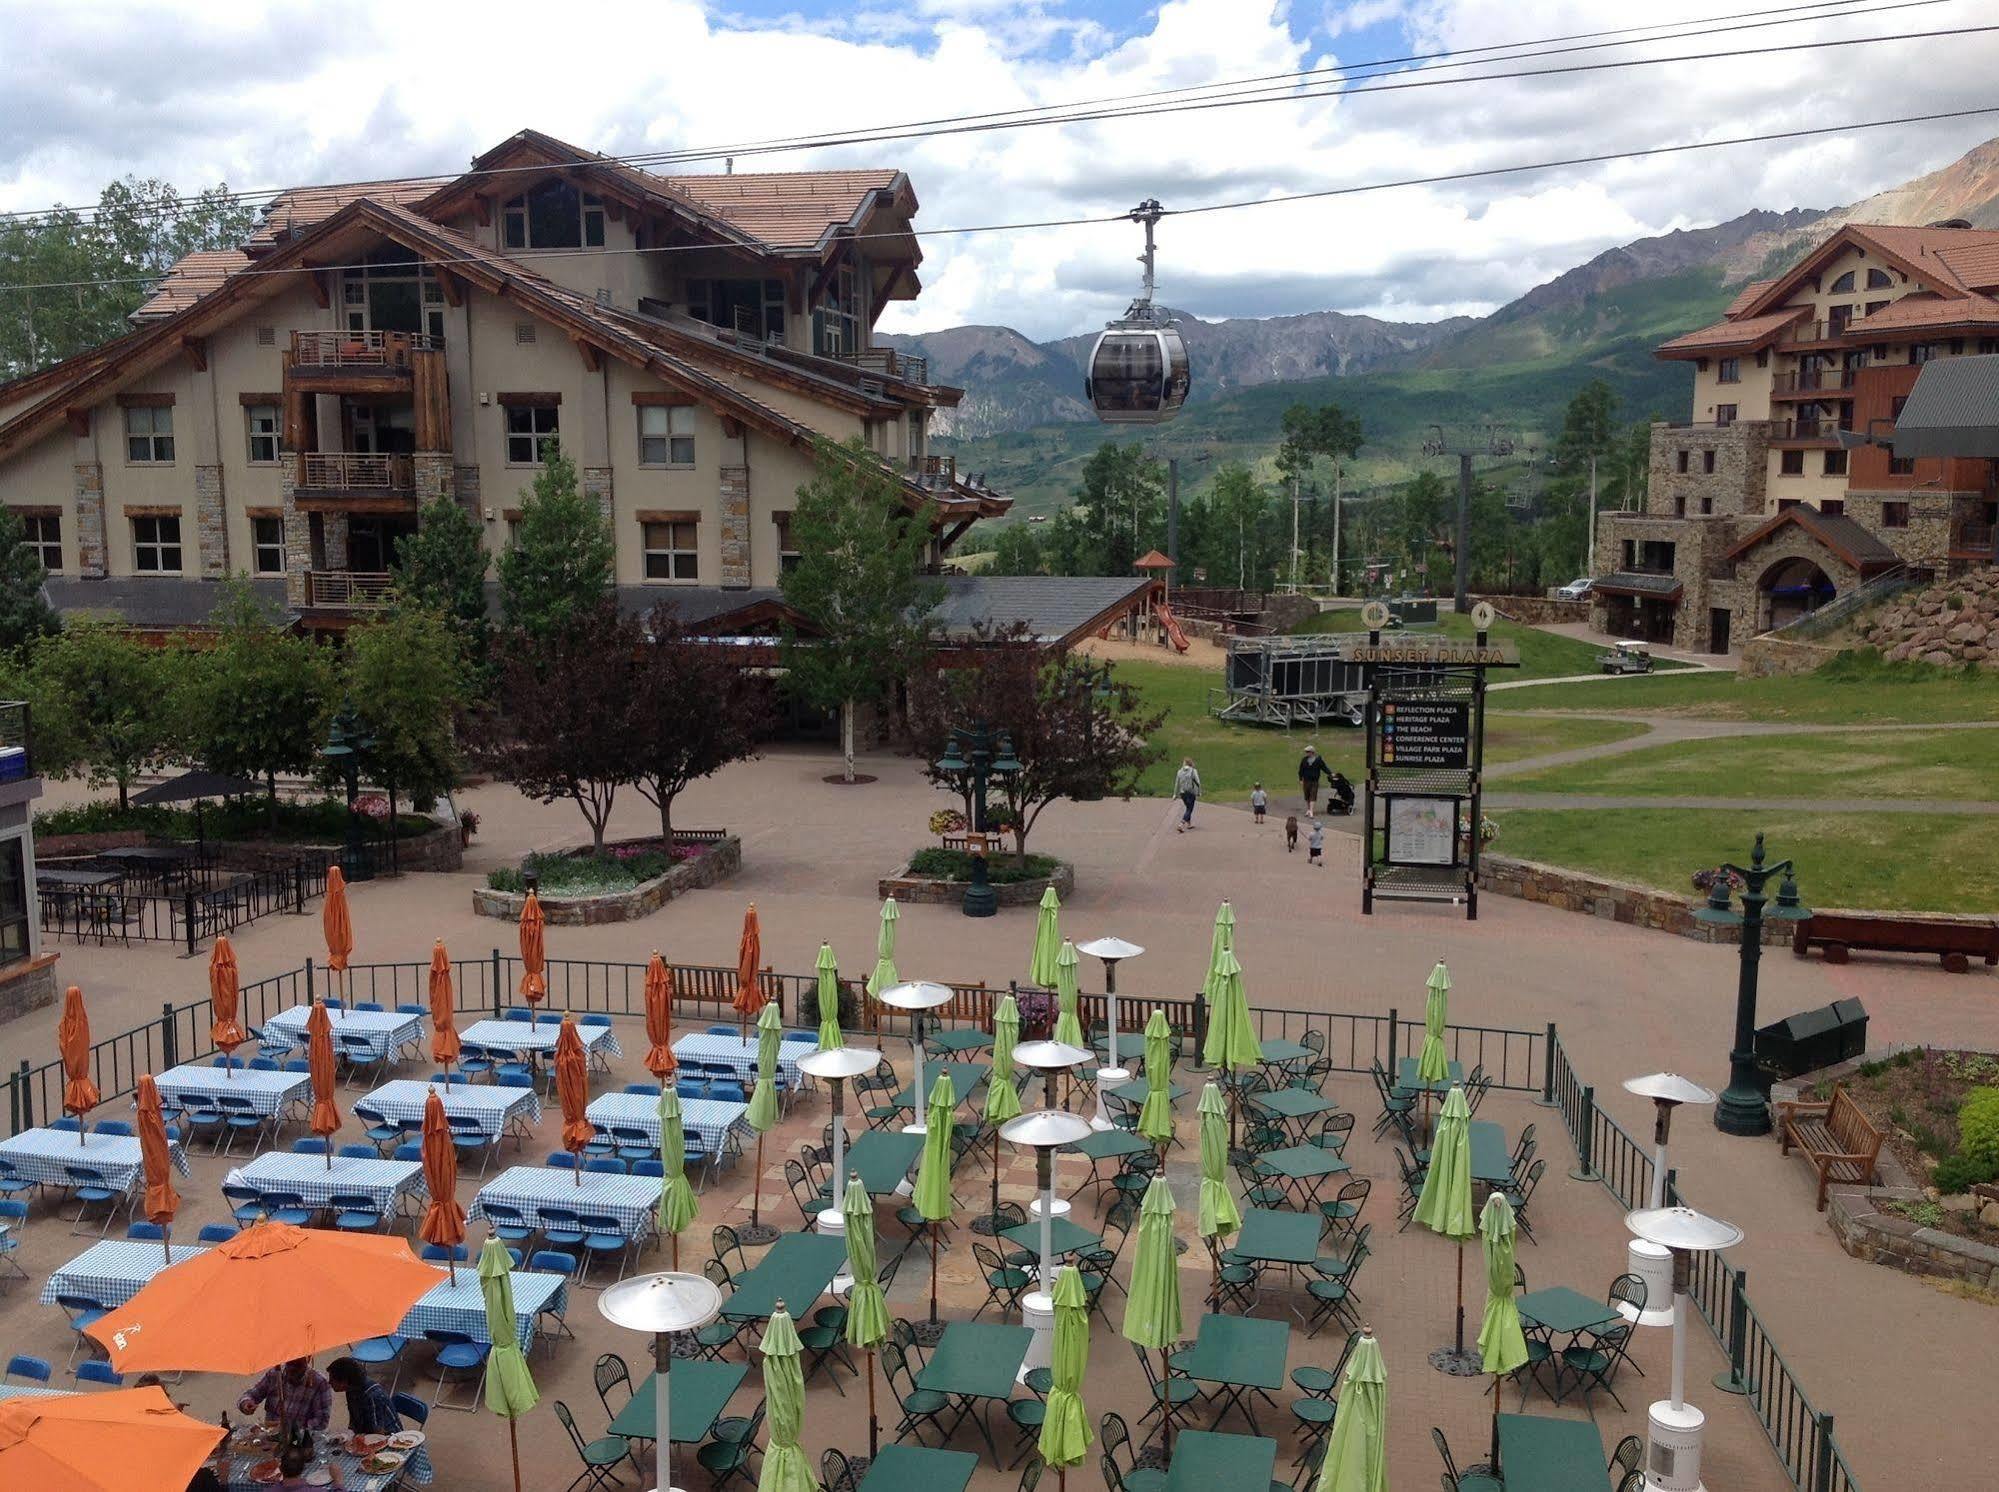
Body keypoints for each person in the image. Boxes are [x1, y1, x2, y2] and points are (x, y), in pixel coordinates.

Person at [237, 1357, 332, 1434]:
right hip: (271, 1435)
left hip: (299, 1439)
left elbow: (321, 1422)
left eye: (298, 1365)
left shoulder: (319, 1383)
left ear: (308, 1359)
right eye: (290, 1364)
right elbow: (251, 1394)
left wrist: (292, 1427)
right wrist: (246, 1403)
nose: (292, 1369)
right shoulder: (274, 1374)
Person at [326, 1356, 404, 1437]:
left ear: (344, 1381)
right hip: (365, 1435)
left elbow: (378, 1434)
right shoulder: (350, 1390)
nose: (329, 1382)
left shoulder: (372, 1396)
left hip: (390, 1438)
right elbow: (354, 1421)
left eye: (332, 1380)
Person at [1297, 746, 1327, 816]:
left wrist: (1331, 773)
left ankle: (1311, 811)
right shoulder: (1304, 760)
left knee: (1313, 795)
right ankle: (1308, 809)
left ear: (1312, 752)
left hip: (1314, 781)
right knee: (1307, 796)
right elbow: (1301, 770)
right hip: (1306, 780)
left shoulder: (1318, 760)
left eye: (1308, 752)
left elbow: (1324, 768)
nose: (1306, 753)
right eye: (1306, 752)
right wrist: (1300, 779)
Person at [1173, 757, 1201, 832]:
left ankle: (1189, 824)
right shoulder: (1193, 771)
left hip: (1182, 793)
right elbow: (1198, 782)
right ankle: (1181, 824)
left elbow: (1177, 783)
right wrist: (1199, 792)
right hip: (1191, 793)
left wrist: (1175, 794)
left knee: (1188, 808)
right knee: (1189, 809)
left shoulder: (1179, 772)